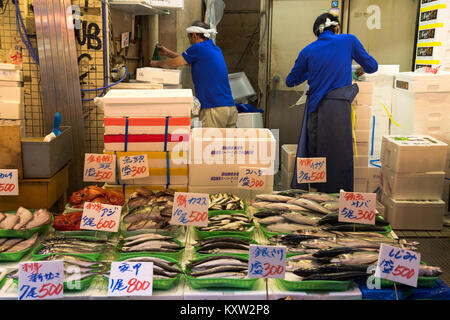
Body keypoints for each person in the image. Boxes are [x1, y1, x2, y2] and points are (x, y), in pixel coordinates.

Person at [286, 13, 378, 193]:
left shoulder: (308, 51)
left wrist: (312, 71)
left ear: (317, 33)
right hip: (339, 110)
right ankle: (338, 202)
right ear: (336, 28)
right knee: (339, 157)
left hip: (315, 111)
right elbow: (372, 66)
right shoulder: (349, 41)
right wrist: (358, 69)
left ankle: (314, 198)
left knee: (314, 155)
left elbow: (290, 81)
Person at [150, 21, 238, 128]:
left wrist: (155, 64)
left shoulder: (198, 48)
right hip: (229, 108)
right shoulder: (214, 48)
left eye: (189, 37)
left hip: (213, 108)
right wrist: (168, 53)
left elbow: (173, 64)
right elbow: (190, 60)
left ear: (195, 35)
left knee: (209, 143)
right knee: (225, 144)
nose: (189, 40)